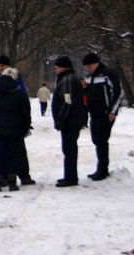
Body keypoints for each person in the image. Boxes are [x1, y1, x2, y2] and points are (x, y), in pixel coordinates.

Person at [0, 55, 35, 186]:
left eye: (3, 66)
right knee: (4, 152)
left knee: (17, 151)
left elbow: (23, 96)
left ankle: (23, 175)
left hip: (11, 120)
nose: (0, 68)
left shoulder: (16, 77)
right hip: (4, 120)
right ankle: (6, 177)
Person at [82, 53, 122, 181]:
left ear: (96, 63)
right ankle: (100, 168)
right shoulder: (89, 77)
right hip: (94, 113)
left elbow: (118, 92)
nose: (88, 68)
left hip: (105, 113)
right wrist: (85, 89)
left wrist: (113, 112)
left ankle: (102, 170)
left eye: (89, 65)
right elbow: (88, 94)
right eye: (86, 66)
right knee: (96, 140)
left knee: (101, 141)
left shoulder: (108, 73)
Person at [51, 56, 87, 187]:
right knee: (69, 149)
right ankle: (69, 175)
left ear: (63, 67)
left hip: (70, 122)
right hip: (72, 120)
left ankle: (71, 178)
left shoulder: (67, 80)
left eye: (56, 67)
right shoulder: (69, 78)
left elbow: (67, 102)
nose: (55, 70)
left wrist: (61, 119)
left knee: (69, 149)